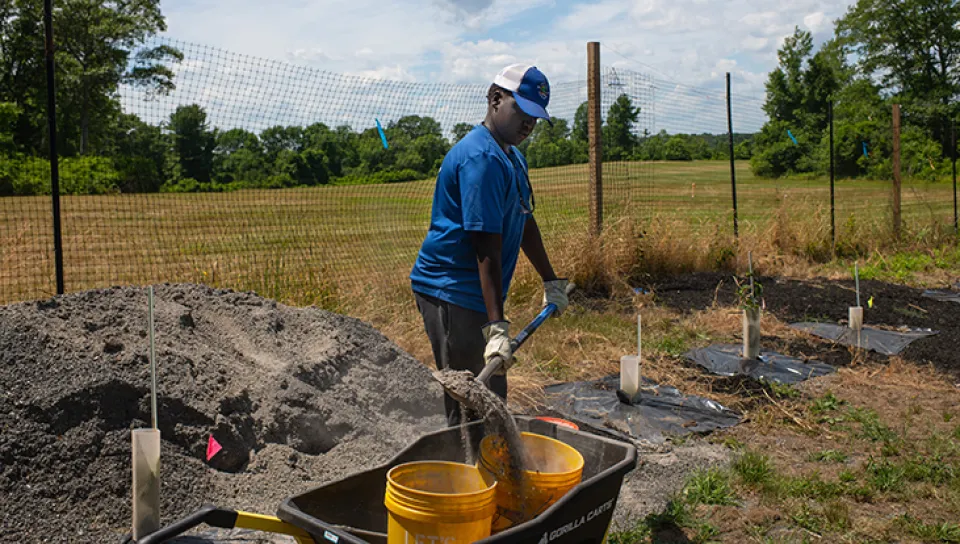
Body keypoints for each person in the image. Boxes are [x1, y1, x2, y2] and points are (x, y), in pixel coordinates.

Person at [410, 64, 569, 426]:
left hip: (476, 292)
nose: (529, 124)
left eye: (536, 117)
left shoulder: (511, 156)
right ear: (496, 99)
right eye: (523, 111)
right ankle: (460, 465)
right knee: (470, 398)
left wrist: (551, 280)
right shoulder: (481, 158)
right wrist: (496, 327)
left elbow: (524, 220)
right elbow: (487, 250)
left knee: (490, 394)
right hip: (451, 292)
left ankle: (487, 461)